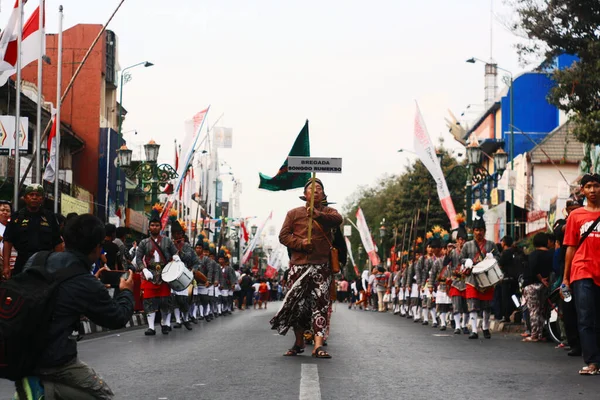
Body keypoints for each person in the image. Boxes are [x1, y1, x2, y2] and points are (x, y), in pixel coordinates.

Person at [26, 214, 134, 399]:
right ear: (96, 248)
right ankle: (45, 391)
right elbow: (117, 317)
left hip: (20, 352)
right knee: (102, 395)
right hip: (55, 359)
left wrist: (91, 283)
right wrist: (126, 291)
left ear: (64, 239)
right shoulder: (85, 283)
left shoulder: (36, 259)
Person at [271, 177, 342, 358]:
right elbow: (283, 236)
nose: (315, 190)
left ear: (323, 194)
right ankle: (299, 341)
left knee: (321, 304)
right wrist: (301, 243)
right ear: (305, 195)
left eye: (319, 188)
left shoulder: (329, 213)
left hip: (322, 267)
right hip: (299, 266)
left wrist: (318, 215)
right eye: (312, 188)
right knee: (298, 306)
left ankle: (318, 346)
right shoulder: (293, 214)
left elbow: (338, 219)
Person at [563, 173, 600, 374]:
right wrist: (565, 278)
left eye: (596, 186)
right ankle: (592, 362)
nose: (593, 190)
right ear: (582, 190)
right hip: (582, 270)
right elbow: (570, 247)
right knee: (586, 317)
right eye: (588, 186)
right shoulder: (575, 216)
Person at [3, 184, 63, 278]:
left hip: (44, 263)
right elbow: (8, 242)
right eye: (31, 194)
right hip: (22, 262)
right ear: (25, 198)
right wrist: (6, 266)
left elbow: (58, 243)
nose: (34, 197)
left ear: (42, 199)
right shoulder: (16, 218)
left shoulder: (50, 217)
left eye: (37, 195)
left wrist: (58, 266)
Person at [135, 215, 179, 335]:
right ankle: (151, 327)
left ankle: (165, 324)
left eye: (157, 225)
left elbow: (175, 253)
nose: (154, 227)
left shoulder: (167, 241)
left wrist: (176, 258)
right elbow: (138, 259)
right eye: (152, 225)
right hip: (150, 274)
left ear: (160, 227)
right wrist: (144, 269)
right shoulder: (144, 242)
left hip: (165, 274)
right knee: (148, 300)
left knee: (165, 300)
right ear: (149, 227)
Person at [460, 202, 498, 339]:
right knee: (473, 306)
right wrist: (466, 261)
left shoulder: (491, 244)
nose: (479, 232)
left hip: (487, 279)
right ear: (473, 231)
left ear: (484, 231)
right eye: (477, 230)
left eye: (481, 230)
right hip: (472, 279)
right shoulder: (467, 245)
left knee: (487, 306)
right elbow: (461, 259)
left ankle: (486, 328)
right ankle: (474, 330)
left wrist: (493, 257)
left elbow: (498, 258)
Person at [553, 196, 583, 356]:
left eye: (578, 208)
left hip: (584, 269)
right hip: (566, 272)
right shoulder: (562, 223)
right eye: (572, 209)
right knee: (568, 307)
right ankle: (574, 343)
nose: (575, 212)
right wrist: (575, 219)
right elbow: (558, 231)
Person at [522, 232, 553, 342]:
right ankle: (540, 334)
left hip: (532, 285)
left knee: (534, 310)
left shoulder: (534, 255)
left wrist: (540, 279)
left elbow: (533, 268)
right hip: (545, 286)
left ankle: (534, 334)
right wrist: (545, 280)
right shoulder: (551, 254)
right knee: (542, 310)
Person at [497, 235, 520, 323]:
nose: (501, 243)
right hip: (515, 278)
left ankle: (506, 316)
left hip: (506, 279)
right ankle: (518, 310)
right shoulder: (515, 251)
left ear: (505, 243)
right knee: (514, 296)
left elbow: (500, 265)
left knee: (505, 298)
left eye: (502, 241)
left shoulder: (505, 253)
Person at [0, 200, 17, 273]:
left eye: (7, 210)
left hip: (14, 262)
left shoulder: (15, 226)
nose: (5, 212)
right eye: (2, 210)